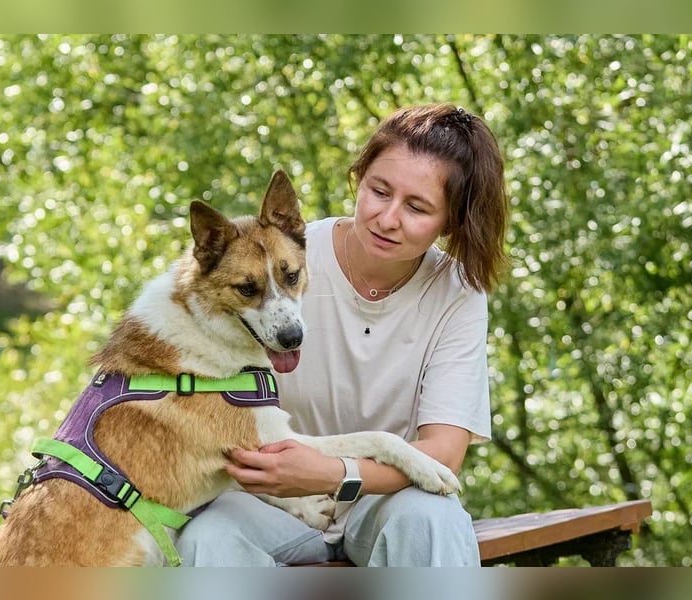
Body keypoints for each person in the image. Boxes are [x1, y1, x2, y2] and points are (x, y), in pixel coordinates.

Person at [174, 103, 508, 566]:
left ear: (451, 221)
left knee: (434, 519)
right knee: (205, 537)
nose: (387, 218)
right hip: (269, 500)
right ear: (359, 177)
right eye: (379, 191)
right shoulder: (276, 262)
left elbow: (442, 456)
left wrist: (331, 474)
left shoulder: (457, 294)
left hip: (383, 498)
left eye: (417, 207)